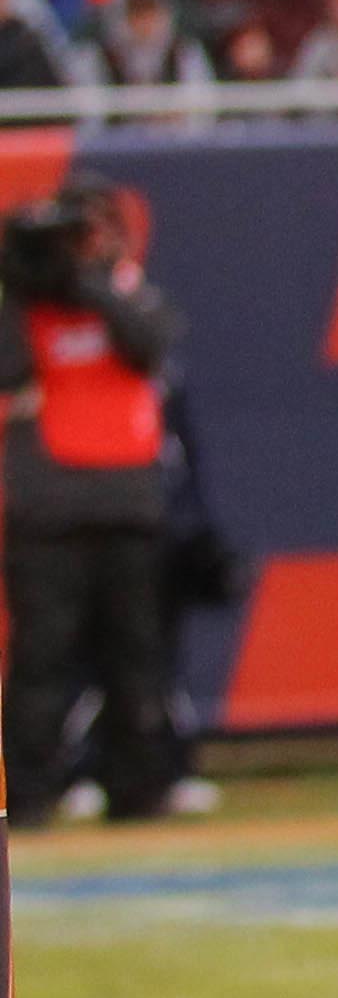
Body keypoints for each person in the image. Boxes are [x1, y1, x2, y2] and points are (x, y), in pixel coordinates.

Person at [0, 178, 183, 827]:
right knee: (41, 660)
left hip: (129, 501)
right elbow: (10, 371)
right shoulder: (22, 306)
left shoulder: (128, 293)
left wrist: (92, 284)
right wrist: (29, 273)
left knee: (135, 660)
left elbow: (148, 344)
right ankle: (29, 794)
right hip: (49, 505)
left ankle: (140, 788)